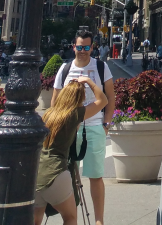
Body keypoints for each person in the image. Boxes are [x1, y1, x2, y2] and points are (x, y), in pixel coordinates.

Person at [53, 27, 115, 225]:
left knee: (95, 176)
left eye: (87, 46)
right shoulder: (64, 69)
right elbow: (55, 102)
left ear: (92, 47)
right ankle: (71, 220)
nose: (83, 50)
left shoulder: (101, 67)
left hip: (95, 127)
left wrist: (106, 123)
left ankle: (99, 221)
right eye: (80, 46)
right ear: (74, 47)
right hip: (70, 130)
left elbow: (110, 97)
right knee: (68, 177)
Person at [34, 78, 107, 225]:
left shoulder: (48, 113)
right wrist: (89, 82)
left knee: (35, 221)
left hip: (37, 173)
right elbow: (103, 100)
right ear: (80, 98)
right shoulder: (74, 114)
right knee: (70, 218)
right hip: (56, 171)